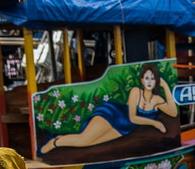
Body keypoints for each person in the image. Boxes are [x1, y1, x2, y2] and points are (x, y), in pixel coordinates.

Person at [40, 63, 178, 154]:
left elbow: (173, 112)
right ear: (142, 80)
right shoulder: (136, 92)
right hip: (113, 115)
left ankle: (61, 138)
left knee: (89, 143)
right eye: (147, 78)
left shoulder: (157, 100)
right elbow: (132, 117)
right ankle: (54, 143)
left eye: (153, 79)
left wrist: (165, 87)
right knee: (84, 140)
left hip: (123, 129)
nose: (149, 82)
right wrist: (155, 123)